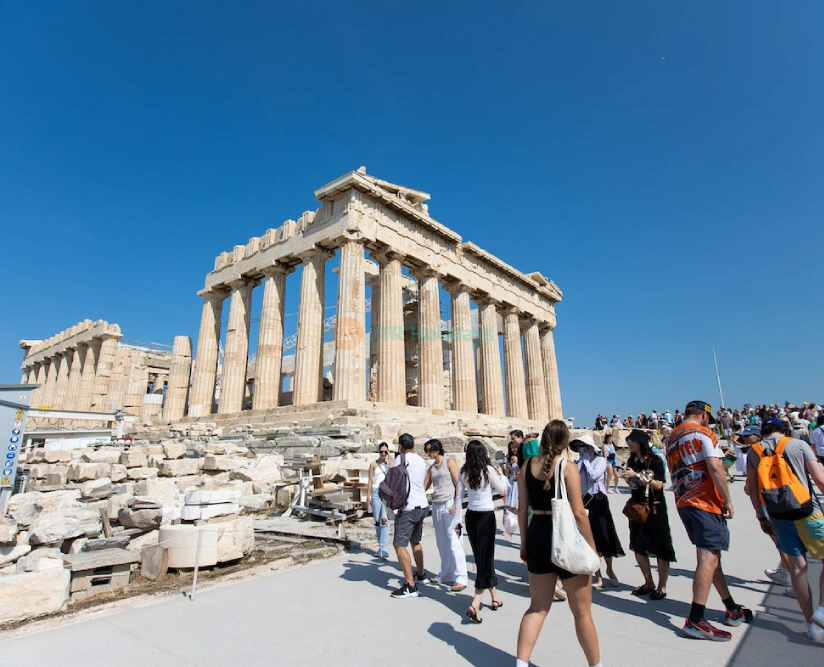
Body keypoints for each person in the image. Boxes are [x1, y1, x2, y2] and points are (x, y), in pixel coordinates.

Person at [516, 420, 602, 667]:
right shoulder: (567, 467)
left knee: (536, 608)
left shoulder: (525, 467)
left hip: (538, 536)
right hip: (565, 538)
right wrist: (592, 550)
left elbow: (522, 509)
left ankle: (520, 664)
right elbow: (579, 513)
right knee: (582, 613)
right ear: (565, 441)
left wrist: (524, 542)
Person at [667, 401, 753, 641]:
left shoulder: (671, 437)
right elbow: (715, 468)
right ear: (704, 416)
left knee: (711, 557)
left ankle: (732, 608)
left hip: (684, 501)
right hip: (704, 501)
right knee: (708, 558)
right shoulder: (703, 432)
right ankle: (696, 620)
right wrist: (727, 500)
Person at [746, 418, 824, 642]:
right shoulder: (797, 444)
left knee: (798, 567)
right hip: (808, 510)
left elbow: (752, 488)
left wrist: (761, 516)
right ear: (783, 429)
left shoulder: (754, 451)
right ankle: (822, 610)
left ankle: (811, 624)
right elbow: (818, 479)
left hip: (777, 514)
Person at [454, 440, 506, 623]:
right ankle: (475, 603)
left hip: (471, 518)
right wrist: (502, 476)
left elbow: (458, 499)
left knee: (481, 557)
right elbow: (502, 490)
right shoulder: (488, 470)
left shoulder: (463, 472)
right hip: (486, 517)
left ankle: (495, 597)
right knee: (485, 558)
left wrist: (456, 522)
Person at [624, 429, 676, 600]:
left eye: (631, 441)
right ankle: (648, 582)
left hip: (654, 508)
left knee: (661, 546)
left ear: (640, 443)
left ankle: (662, 586)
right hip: (637, 507)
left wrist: (637, 475)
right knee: (638, 545)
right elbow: (634, 485)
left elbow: (659, 485)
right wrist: (629, 479)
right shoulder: (632, 460)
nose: (629, 444)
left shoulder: (656, 460)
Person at [573, 434, 624, 588]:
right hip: (584, 501)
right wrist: (580, 463)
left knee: (604, 536)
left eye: (584, 447)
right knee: (590, 539)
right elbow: (575, 479)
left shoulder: (600, 460)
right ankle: (598, 576)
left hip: (599, 500)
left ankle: (610, 569)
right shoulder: (579, 463)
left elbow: (594, 476)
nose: (581, 450)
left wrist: (586, 462)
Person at [423, 439, 468, 592]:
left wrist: (457, 504)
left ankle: (461, 577)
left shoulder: (449, 462)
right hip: (436, 505)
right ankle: (446, 574)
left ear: (437, 449)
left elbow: (458, 484)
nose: (427, 453)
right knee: (442, 542)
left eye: (429, 450)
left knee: (455, 541)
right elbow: (424, 486)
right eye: (426, 450)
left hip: (450, 504)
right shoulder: (431, 468)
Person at [390, 433, 429, 599]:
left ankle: (410, 586)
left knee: (399, 544)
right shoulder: (421, 460)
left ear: (400, 446)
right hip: (423, 505)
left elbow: (393, 482)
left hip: (409, 507)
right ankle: (420, 575)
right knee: (415, 541)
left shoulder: (401, 459)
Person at [366, 443, 393, 559]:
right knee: (377, 520)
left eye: (385, 452)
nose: (383, 454)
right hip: (376, 493)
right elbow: (370, 481)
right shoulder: (373, 465)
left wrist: (390, 458)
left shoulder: (389, 465)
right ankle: (380, 546)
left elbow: (393, 475)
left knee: (384, 519)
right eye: (381, 451)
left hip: (385, 493)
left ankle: (384, 547)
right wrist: (368, 497)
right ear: (378, 452)